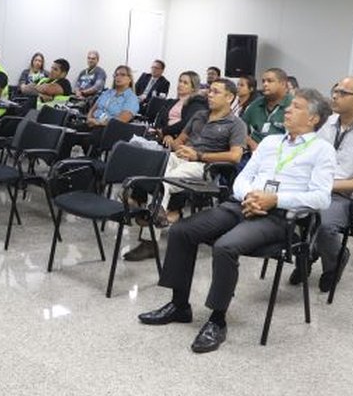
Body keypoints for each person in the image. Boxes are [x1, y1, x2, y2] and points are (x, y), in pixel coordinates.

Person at [137, 88, 335, 354]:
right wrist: (250, 195)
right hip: (242, 203)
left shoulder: (322, 150)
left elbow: (321, 197)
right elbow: (244, 175)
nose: (288, 109)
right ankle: (179, 305)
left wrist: (274, 199)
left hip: (279, 216)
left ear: (313, 119)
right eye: (290, 106)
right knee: (183, 230)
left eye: (296, 107)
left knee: (225, 246)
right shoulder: (270, 143)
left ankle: (217, 320)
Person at [124, 78, 246, 261]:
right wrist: (176, 145)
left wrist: (198, 155)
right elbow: (180, 139)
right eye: (210, 91)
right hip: (181, 157)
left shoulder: (236, 124)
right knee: (152, 164)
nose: (209, 95)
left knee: (161, 181)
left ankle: (149, 239)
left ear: (229, 97)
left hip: (204, 167)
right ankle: (149, 209)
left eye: (215, 92)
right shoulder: (200, 116)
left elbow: (235, 156)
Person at [290, 76, 353, 292]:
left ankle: (334, 261)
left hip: (349, 197)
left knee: (324, 223)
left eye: (343, 93)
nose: (335, 96)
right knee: (285, 210)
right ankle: (307, 254)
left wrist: (331, 185)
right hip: (317, 188)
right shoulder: (326, 124)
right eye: (335, 91)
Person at [242, 68, 292, 151]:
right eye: (263, 81)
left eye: (270, 81)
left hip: (281, 153)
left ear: (283, 84)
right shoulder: (256, 104)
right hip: (253, 153)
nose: (265, 84)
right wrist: (251, 143)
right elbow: (240, 129)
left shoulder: (293, 105)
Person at [155, 71, 207, 139]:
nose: (180, 84)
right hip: (163, 135)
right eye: (180, 81)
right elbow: (159, 118)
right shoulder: (170, 101)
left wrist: (165, 132)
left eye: (185, 83)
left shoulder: (197, 103)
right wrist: (162, 132)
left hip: (179, 138)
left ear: (193, 88)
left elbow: (186, 124)